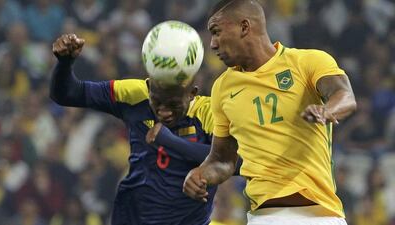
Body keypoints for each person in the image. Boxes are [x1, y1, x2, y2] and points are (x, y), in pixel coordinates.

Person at [183, 0, 357, 225]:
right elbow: (222, 160)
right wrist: (200, 174)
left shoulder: (306, 62)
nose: (213, 44)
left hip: (321, 215)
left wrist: (327, 110)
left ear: (244, 27)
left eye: (217, 32)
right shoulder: (222, 88)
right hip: (265, 217)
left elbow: (345, 96)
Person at [50, 33, 241, 225]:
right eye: (157, 102)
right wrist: (65, 63)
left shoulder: (209, 112)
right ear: (149, 87)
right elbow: (68, 94)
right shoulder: (134, 93)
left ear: (192, 94)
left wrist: (170, 141)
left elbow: (237, 162)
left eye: (173, 104)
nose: (164, 112)